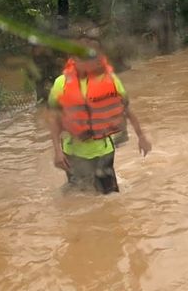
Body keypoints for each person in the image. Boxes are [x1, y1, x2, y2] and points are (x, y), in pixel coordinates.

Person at [47, 36, 151, 194]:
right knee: (80, 199)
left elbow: (127, 109)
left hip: (103, 151)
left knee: (110, 199)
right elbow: (54, 118)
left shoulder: (109, 80)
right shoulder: (61, 83)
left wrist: (141, 137)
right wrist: (57, 151)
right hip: (73, 153)